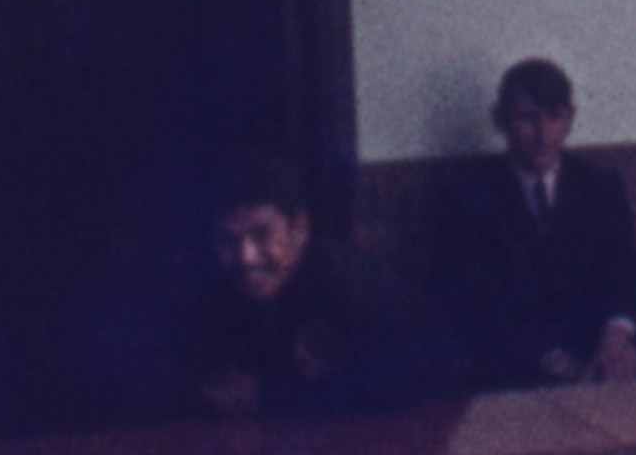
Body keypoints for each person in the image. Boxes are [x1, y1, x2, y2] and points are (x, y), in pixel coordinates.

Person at [434, 56, 636, 391]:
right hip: (516, 351)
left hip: (589, 340)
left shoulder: (599, 186)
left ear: (570, 119)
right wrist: (558, 362)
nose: (543, 135)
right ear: (501, 119)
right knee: (461, 357)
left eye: (554, 117)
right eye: (528, 118)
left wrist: (615, 339)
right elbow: (479, 300)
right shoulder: (471, 193)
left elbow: (623, 269)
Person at [177, 174, 460, 420]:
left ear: (299, 230)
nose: (246, 257)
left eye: (262, 234)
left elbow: (426, 375)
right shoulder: (214, 294)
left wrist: (271, 397)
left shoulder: (352, 284)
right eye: (229, 240)